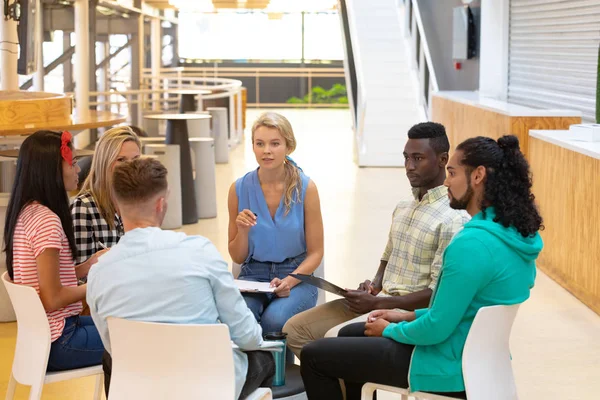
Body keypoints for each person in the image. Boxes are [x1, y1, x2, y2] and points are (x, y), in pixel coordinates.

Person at [300, 135, 544, 400]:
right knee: (348, 334)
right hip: (481, 359)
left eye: (452, 172)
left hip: (445, 365)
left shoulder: (472, 244)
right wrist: (403, 316)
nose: (447, 181)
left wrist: (389, 329)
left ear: (478, 175)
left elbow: (437, 328)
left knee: (314, 355)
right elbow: (458, 309)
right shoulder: (516, 235)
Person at [87, 158, 274, 399]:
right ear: (161, 205)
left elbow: (113, 347)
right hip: (208, 385)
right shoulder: (200, 252)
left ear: (116, 203)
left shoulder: (99, 272)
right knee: (265, 360)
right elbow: (246, 335)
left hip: (141, 387)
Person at [283, 122, 470, 357]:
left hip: (405, 315)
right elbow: (387, 259)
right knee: (294, 329)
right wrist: (372, 286)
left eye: (418, 158)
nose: (409, 167)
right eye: (406, 158)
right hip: (379, 302)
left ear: (443, 160)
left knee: (329, 347)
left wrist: (375, 305)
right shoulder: (402, 208)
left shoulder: (453, 218)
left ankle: (341, 381)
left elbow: (437, 294)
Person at [4, 130, 106, 371]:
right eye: (72, 163)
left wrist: (87, 266)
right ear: (52, 170)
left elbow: (44, 280)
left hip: (42, 337)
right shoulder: (47, 221)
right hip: (60, 340)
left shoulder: (27, 212)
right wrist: (97, 283)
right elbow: (52, 299)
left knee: (122, 326)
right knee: (135, 340)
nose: (78, 169)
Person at [228, 112, 324, 334]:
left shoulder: (306, 188)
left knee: (275, 321)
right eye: (259, 144)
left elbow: (316, 252)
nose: (266, 151)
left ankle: (279, 370)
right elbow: (237, 257)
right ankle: (252, 370)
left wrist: (289, 281)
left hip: (297, 274)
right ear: (252, 146)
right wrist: (242, 231)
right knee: (242, 318)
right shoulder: (238, 189)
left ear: (288, 147)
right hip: (253, 275)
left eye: (275, 144)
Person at [71, 126, 141, 266]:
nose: (130, 167)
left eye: (136, 159)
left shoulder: (141, 202)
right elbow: (82, 277)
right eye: (121, 159)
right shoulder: (84, 208)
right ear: (104, 162)